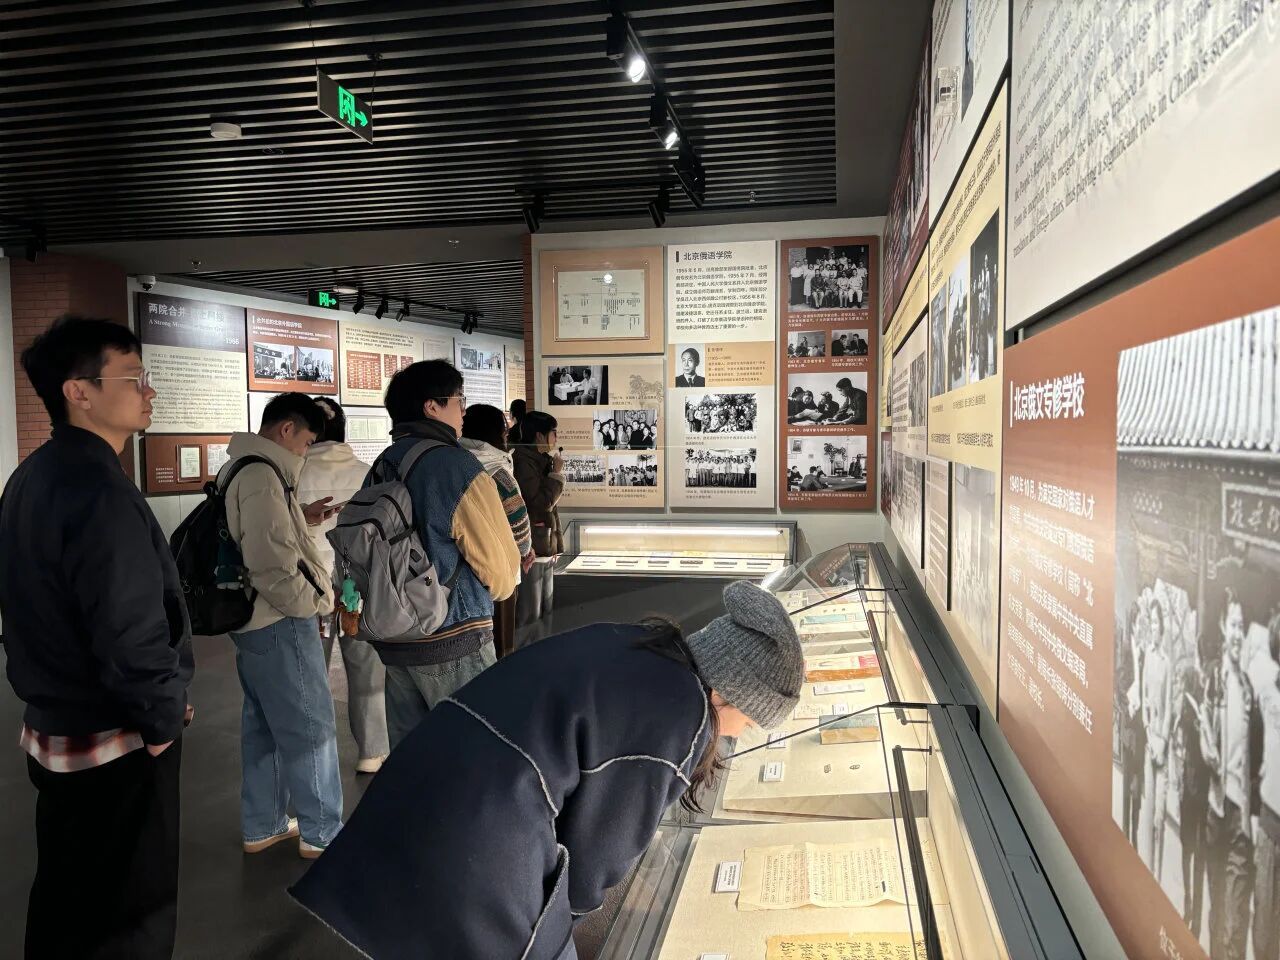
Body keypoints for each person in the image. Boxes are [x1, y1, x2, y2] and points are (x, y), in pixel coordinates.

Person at [291, 582, 805, 960]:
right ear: (728, 689)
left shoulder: (638, 644)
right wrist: (562, 930)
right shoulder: (681, 715)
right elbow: (595, 858)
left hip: (422, 788)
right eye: (749, 719)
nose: (740, 733)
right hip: (476, 840)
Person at [1, 317, 193, 960]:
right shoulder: (100, 490)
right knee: (131, 913)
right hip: (115, 740)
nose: (148, 391)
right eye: (133, 378)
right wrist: (162, 719)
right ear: (78, 391)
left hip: (56, 728)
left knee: (67, 896)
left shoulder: (32, 476)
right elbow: (129, 629)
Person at [374, 360, 521, 747]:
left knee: (412, 756)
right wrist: (501, 589)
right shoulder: (455, 465)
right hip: (453, 633)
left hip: (395, 635)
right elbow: (498, 565)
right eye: (459, 400)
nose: (463, 411)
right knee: (475, 751)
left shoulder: (384, 462)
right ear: (432, 407)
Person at [222, 392, 343, 859]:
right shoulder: (262, 476)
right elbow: (271, 564)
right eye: (307, 441)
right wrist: (312, 604)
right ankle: (322, 831)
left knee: (264, 723)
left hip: (252, 620)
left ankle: (263, 823)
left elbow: (259, 539)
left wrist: (301, 518)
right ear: (286, 429)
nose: (305, 452)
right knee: (311, 726)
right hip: (279, 619)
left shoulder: (241, 467)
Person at [297, 396, 390, 776]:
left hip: (308, 588)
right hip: (358, 585)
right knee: (367, 669)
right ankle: (372, 751)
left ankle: (314, 756)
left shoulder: (292, 474)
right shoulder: (366, 474)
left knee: (309, 674)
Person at [460, 404, 535, 659]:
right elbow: (517, 520)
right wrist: (524, 551)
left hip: (462, 571)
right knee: (501, 647)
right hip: (498, 569)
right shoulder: (495, 469)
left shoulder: (455, 461)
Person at [514, 411, 565, 648]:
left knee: (545, 610)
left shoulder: (538, 460)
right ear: (539, 435)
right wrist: (556, 475)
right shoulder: (524, 462)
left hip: (544, 544)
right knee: (530, 613)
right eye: (553, 432)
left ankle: (541, 658)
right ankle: (526, 660)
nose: (556, 437)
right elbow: (540, 503)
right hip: (532, 545)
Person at [1178, 632, 1210, 939]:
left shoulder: (1210, 690)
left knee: (1198, 852)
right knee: (1187, 847)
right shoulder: (1189, 688)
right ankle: (1188, 903)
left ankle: (1196, 918)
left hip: (1202, 787)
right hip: (1189, 783)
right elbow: (1183, 726)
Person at [1142, 600, 1172, 877]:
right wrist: (1149, 734)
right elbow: (1143, 699)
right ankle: (1147, 867)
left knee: (1160, 817)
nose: (1154, 628)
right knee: (1149, 809)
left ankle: (1158, 875)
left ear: (1162, 628)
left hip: (1162, 747)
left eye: (1157, 623)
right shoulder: (1148, 658)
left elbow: (1169, 708)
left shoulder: (1166, 662)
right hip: (1149, 741)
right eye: (1151, 623)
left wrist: (1161, 743)